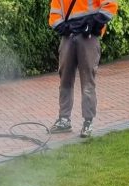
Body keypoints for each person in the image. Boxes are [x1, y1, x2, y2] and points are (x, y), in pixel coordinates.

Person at [49, 0, 118, 138]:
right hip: (68, 37)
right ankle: (64, 119)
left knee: (87, 81)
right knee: (65, 80)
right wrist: (65, 28)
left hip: (89, 37)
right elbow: (54, 15)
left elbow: (110, 5)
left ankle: (88, 121)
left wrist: (92, 23)